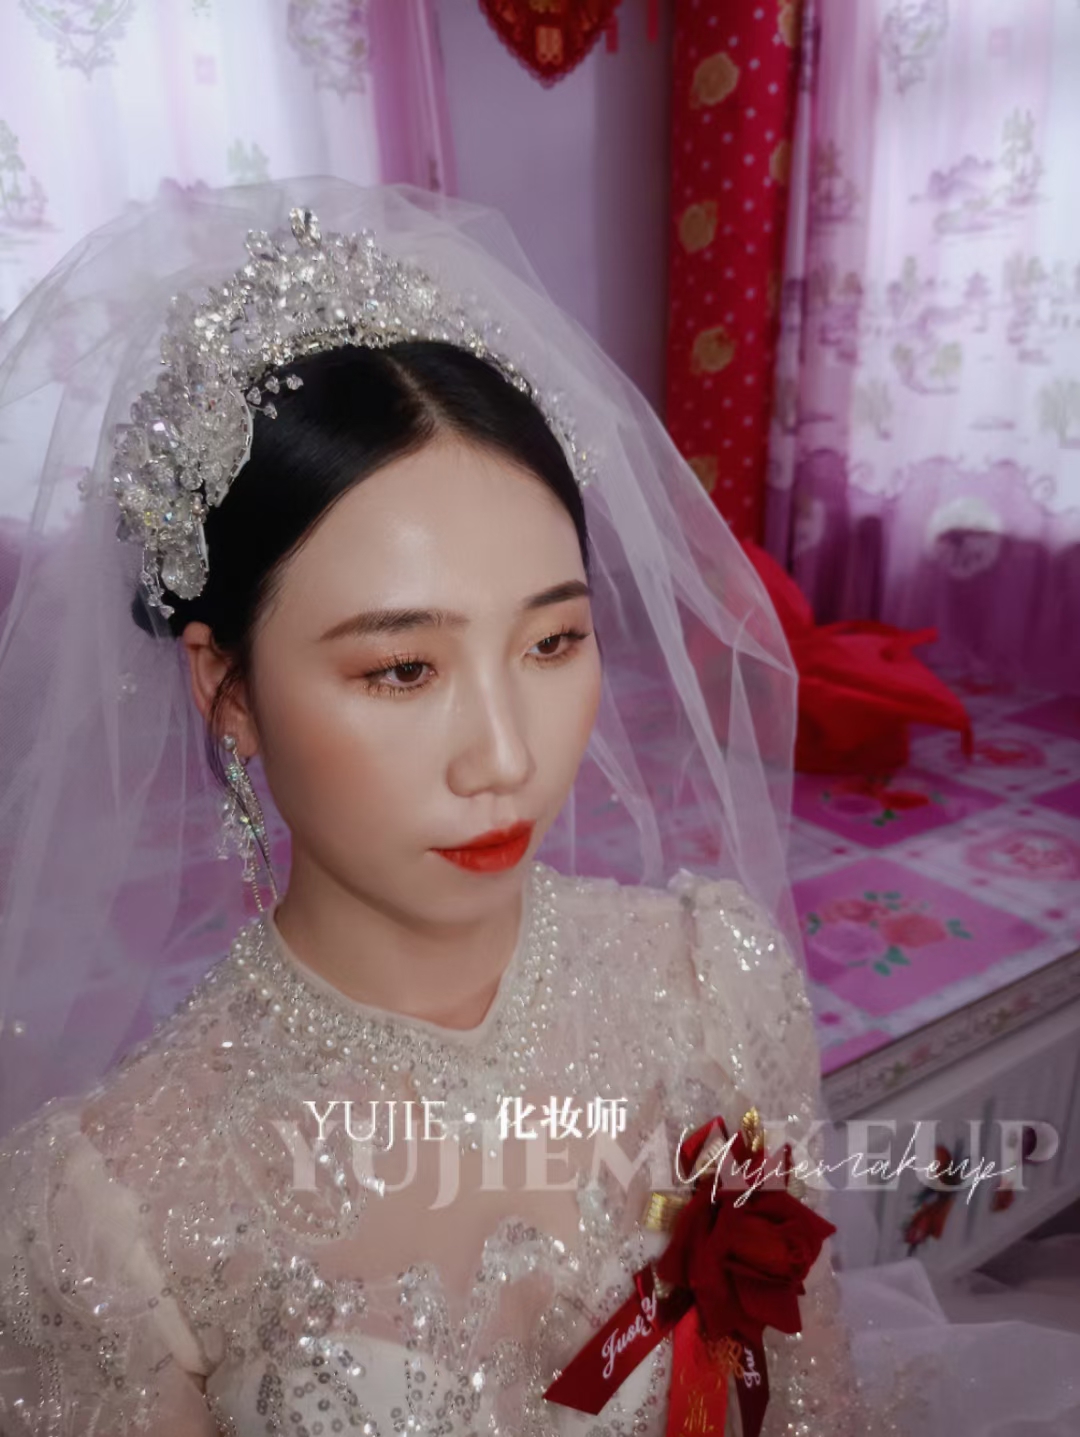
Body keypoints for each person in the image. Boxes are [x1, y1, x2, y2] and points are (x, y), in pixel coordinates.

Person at [0, 181, 1076, 1436]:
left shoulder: (711, 982)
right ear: (225, 688)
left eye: (554, 642)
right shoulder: (110, 1206)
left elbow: (807, 1395)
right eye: (403, 669)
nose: (506, 758)